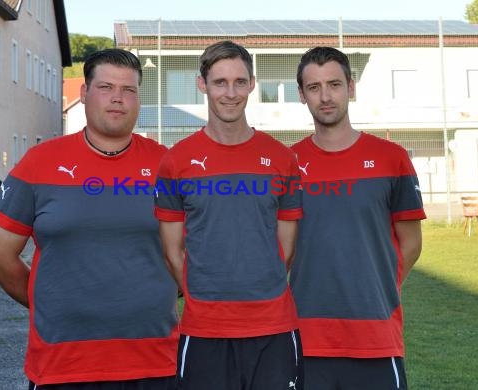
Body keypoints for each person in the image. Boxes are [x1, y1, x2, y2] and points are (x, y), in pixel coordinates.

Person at [0, 49, 179, 389]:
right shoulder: (39, 163)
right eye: (106, 87)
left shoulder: (169, 166)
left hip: (154, 361)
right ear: (84, 93)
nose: (118, 98)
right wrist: (45, 302)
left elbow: (192, 252)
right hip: (63, 363)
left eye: (128, 90)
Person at [155, 40, 304, 390]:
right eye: (220, 82)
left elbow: (286, 246)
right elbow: (172, 252)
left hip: (274, 328)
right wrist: (203, 296)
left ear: (252, 84)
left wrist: (257, 284)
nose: (230, 93)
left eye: (240, 82)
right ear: (202, 84)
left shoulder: (282, 159)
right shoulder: (176, 161)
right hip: (204, 330)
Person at [290, 47, 426, 390]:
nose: (325, 96)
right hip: (307, 337)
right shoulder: (287, 164)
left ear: (351, 87)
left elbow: (410, 243)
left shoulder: (391, 159)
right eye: (314, 87)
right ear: (301, 95)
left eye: (334, 84)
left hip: (376, 336)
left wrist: (377, 289)